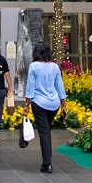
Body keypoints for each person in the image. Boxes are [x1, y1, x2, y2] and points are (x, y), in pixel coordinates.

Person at [23, 42, 67, 174]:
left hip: (39, 103)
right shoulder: (54, 67)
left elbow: (30, 87)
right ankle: (48, 156)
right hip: (54, 104)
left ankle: (47, 163)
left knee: (43, 131)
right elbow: (60, 86)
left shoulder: (34, 66)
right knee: (46, 129)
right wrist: (63, 105)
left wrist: (26, 105)